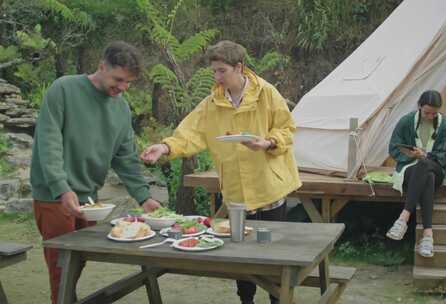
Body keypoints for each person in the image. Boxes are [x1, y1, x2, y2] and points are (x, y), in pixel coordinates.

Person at [141, 40, 301, 304]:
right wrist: (164, 147)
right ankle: (246, 301)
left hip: (269, 188)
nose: (216, 77)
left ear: (239, 68)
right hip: (237, 193)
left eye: (221, 71)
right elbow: (189, 134)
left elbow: (287, 129)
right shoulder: (211, 103)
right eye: (213, 71)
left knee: (273, 257)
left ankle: (278, 300)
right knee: (240, 257)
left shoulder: (267, 93)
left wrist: (267, 142)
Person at [30, 41, 161, 303]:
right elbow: (49, 141)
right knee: (60, 266)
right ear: (101, 67)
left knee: (77, 263)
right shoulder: (64, 89)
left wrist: (144, 197)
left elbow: (124, 158)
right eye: (118, 79)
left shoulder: (121, 107)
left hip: (89, 198)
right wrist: (61, 187)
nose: (123, 88)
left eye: (128, 83)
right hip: (53, 195)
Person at [385, 90, 446, 258]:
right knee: (426, 176)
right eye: (426, 112)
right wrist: (411, 155)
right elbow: (393, 147)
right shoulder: (406, 121)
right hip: (411, 168)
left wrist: (426, 156)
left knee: (426, 166)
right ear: (419, 107)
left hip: (436, 168)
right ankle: (428, 236)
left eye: (434, 113)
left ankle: (403, 218)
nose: (430, 116)